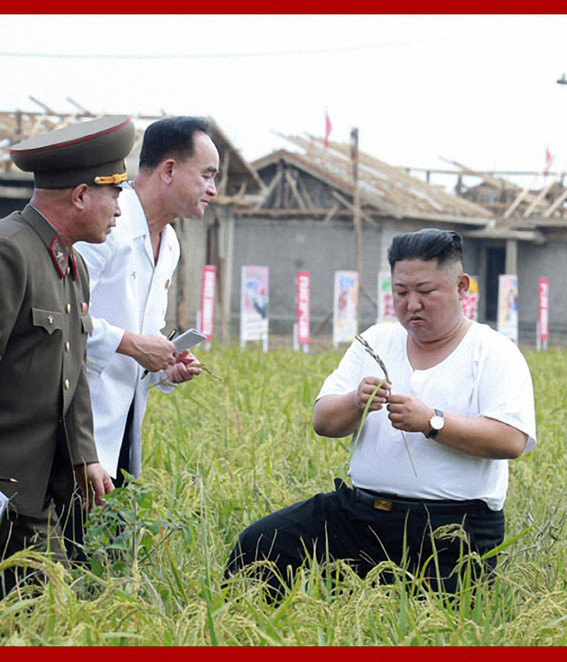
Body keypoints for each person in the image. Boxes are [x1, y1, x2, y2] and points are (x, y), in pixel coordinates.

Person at [226, 228, 536, 597]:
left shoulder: (493, 352)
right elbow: (323, 422)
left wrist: (432, 423)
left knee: (425, 625)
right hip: (360, 515)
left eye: (425, 292)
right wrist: (356, 402)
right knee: (262, 545)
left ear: (461, 286)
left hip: (451, 529)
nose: (412, 304)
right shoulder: (376, 341)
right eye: (401, 292)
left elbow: (511, 439)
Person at [0, 115, 130, 595]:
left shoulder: (70, 264)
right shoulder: (4, 251)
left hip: (38, 489)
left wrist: (85, 457)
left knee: (43, 613)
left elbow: (71, 369)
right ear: (80, 195)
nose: (119, 209)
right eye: (114, 193)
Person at [61, 117, 218, 558]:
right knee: (67, 552)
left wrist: (166, 364)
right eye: (206, 175)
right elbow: (65, 315)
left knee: (106, 559)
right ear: (168, 170)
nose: (213, 189)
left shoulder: (169, 243)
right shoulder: (104, 226)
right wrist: (131, 344)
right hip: (75, 424)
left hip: (125, 425)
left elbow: (142, 337)